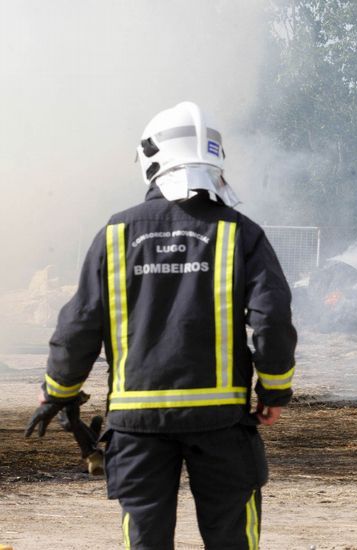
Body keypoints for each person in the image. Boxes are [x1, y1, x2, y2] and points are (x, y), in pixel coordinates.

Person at [25, 101, 297, 549]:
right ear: (214, 159)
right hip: (222, 421)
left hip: (136, 424)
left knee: (146, 541)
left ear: (151, 159)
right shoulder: (240, 232)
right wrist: (274, 391)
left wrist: (58, 388)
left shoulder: (115, 233)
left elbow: (80, 323)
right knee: (233, 539)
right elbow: (272, 319)